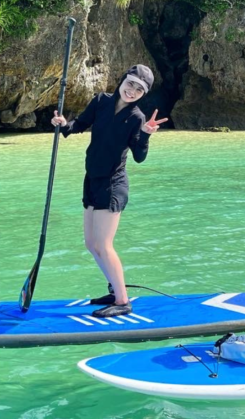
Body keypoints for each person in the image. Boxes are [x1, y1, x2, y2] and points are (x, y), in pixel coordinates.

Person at [51, 65, 168, 318]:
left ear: (143, 93)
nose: (132, 90)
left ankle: (123, 301)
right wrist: (63, 124)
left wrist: (146, 134)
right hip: (92, 179)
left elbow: (139, 156)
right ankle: (116, 291)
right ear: (123, 79)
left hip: (113, 185)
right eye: (131, 83)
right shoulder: (101, 101)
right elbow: (79, 124)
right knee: (91, 244)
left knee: (104, 244)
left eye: (139, 89)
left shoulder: (136, 117)